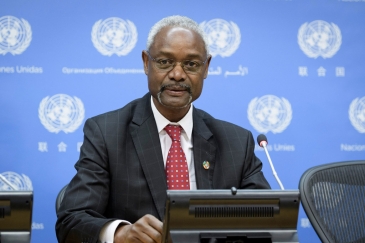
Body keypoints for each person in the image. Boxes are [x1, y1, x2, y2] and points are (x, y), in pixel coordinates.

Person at [55, 15, 270, 243]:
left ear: (206, 68)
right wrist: (120, 234)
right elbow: (72, 221)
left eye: (191, 64)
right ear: (146, 62)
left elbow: (268, 222)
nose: (177, 74)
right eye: (165, 62)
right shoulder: (106, 133)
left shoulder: (236, 141)